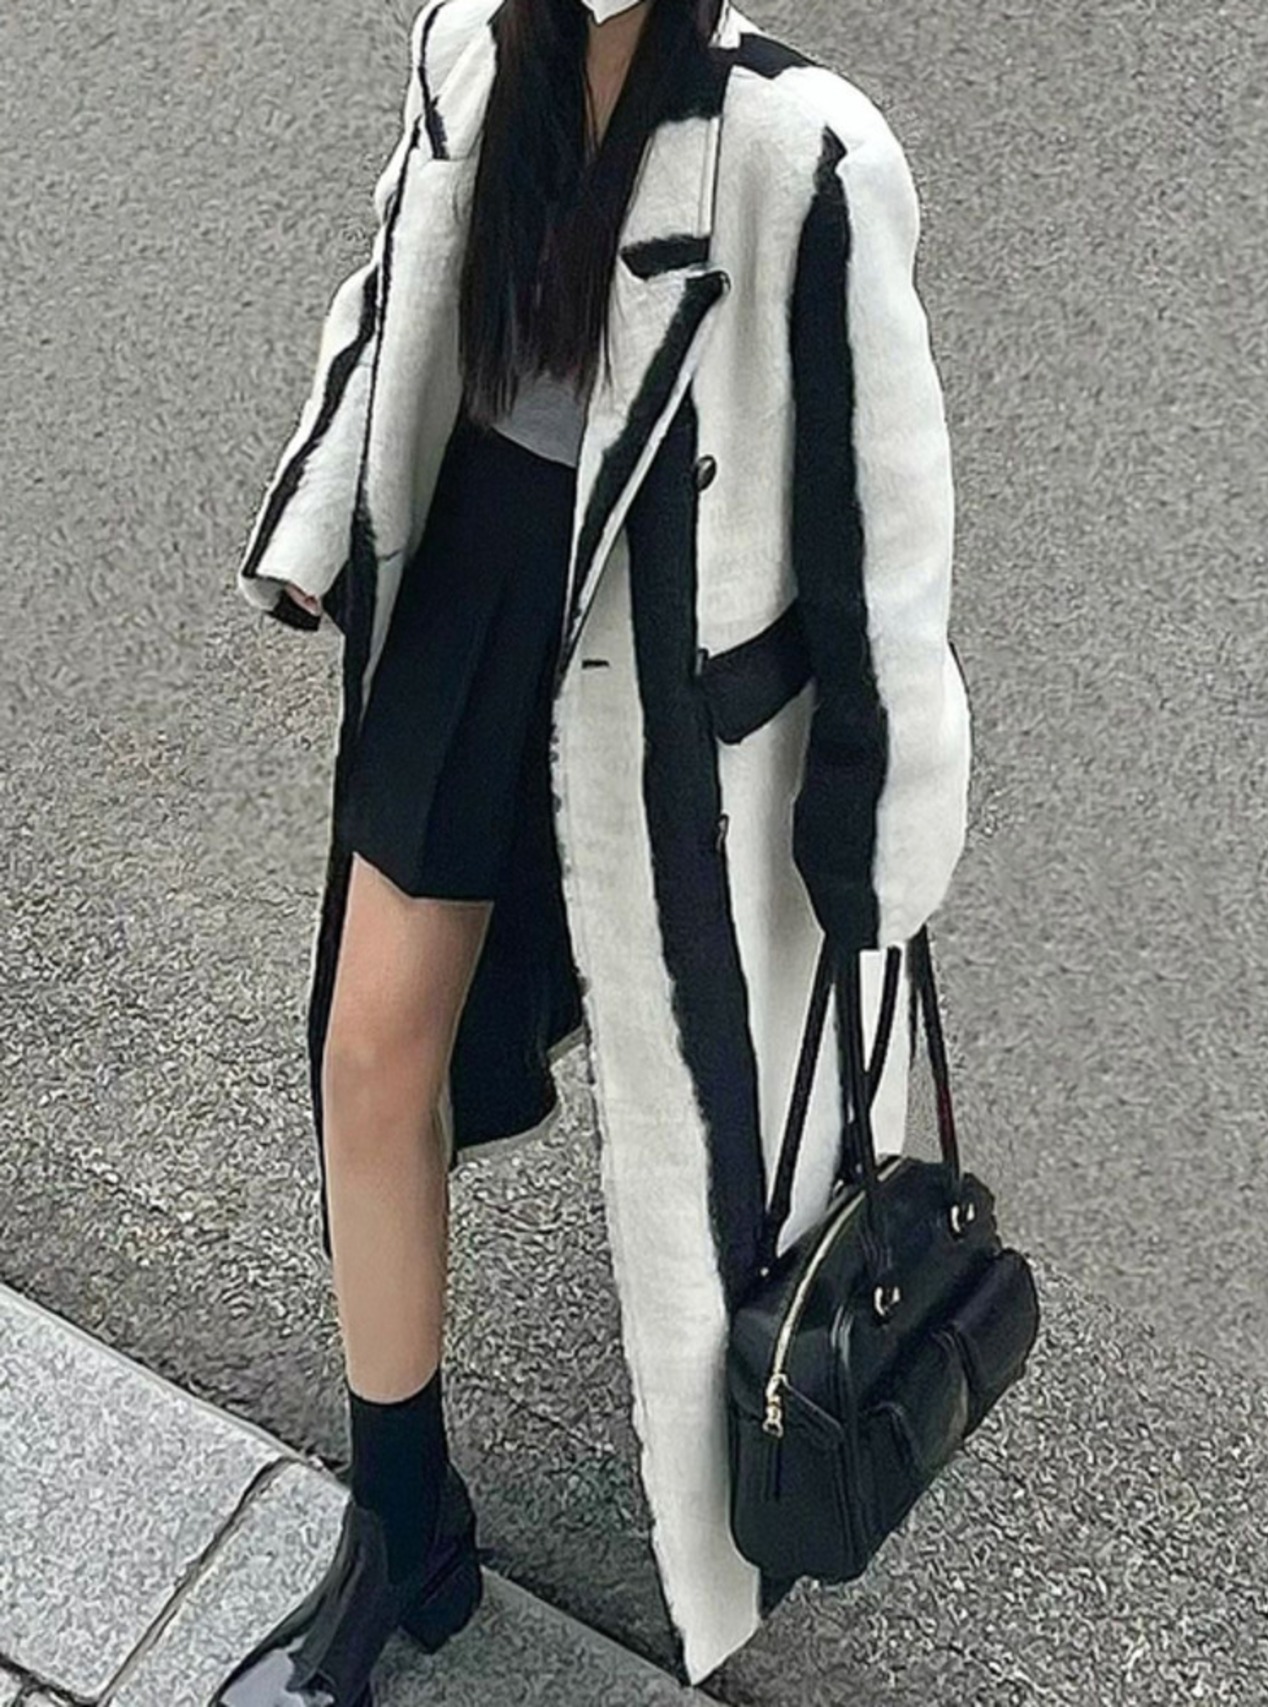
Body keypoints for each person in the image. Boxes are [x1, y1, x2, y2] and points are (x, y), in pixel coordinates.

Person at [221, 0, 970, 1693]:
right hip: (478, 582)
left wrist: (877, 816)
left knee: (715, 1146)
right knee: (369, 1056)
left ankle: (762, 1468)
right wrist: (321, 515)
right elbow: (397, 288)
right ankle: (403, 1526)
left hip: (678, 668)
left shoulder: (802, 151)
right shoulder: (473, 48)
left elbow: (884, 513)